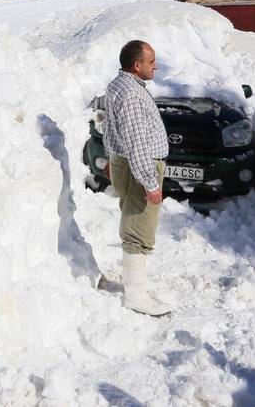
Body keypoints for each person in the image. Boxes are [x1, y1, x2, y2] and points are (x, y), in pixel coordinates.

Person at [102, 39, 172, 316]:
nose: (156, 66)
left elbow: (110, 127)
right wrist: (150, 182)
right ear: (136, 64)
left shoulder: (118, 85)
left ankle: (135, 289)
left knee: (134, 225)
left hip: (125, 162)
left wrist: (112, 158)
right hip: (140, 166)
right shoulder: (131, 94)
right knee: (138, 231)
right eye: (151, 61)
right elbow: (137, 142)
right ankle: (136, 296)